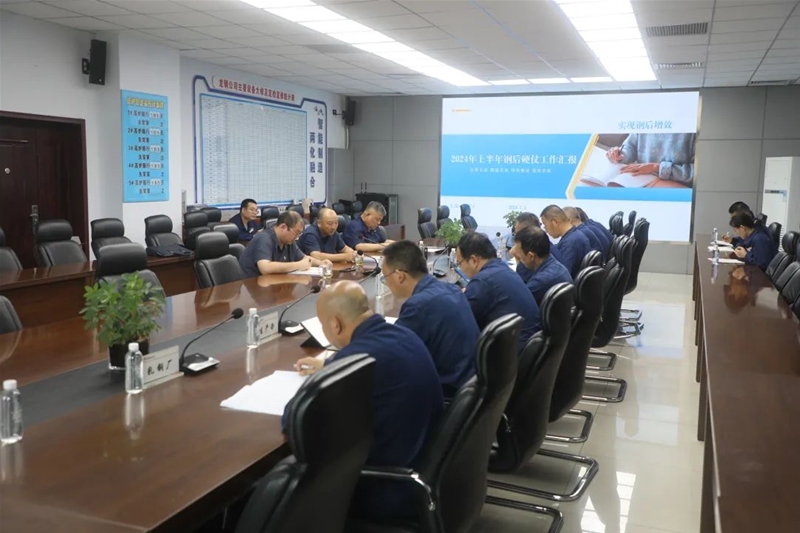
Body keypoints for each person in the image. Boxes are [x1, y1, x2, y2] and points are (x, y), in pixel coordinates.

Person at [290, 281, 443, 521]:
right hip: (422, 466)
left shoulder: (357, 359)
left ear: (335, 324)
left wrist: (337, 366)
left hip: (385, 487)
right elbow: (372, 359)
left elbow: (295, 420)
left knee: (281, 485)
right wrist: (331, 364)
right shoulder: (403, 334)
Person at [382, 240, 479, 397]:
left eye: (385, 277)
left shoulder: (418, 306)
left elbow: (391, 356)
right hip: (470, 388)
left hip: (447, 395)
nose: (386, 282)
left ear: (400, 276)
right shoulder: (451, 289)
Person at [456, 231, 540, 352]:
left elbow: (458, 321)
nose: (460, 268)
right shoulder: (502, 269)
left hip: (513, 355)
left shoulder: (482, 282)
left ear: (474, 260)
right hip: (529, 349)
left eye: (459, 263)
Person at [238, 210, 322, 277]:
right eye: (296, 233)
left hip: (272, 284)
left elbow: (304, 258)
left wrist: (322, 263)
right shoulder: (264, 238)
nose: (297, 238)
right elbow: (265, 268)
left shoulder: (288, 241)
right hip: (252, 286)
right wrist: (299, 265)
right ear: (283, 227)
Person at [606, 133, 696, 187]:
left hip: (675, 186)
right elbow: (631, 146)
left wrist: (657, 168)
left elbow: (696, 173)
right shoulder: (646, 115)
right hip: (640, 179)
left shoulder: (694, 125)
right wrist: (620, 155)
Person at [512, 227, 573, 306]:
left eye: (519, 257)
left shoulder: (541, 282)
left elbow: (516, 303)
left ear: (531, 256)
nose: (519, 259)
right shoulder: (556, 266)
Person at [540, 205, 592, 279]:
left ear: (555, 222)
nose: (545, 230)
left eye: (545, 225)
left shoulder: (570, 243)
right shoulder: (576, 235)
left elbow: (562, 275)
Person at [512, 212, 564, 283]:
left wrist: (518, 256)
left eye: (518, 233)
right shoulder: (547, 248)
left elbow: (522, 284)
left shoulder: (537, 254)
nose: (517, 236)